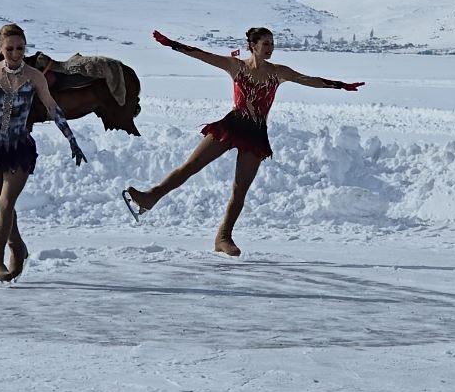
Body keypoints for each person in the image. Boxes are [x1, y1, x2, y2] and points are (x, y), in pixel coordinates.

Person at [123, 28, 364, 257]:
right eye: (266, 43)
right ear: (252, 46)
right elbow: (201, 55)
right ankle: (151, 197)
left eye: (272, 43)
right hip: (232, 125)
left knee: (240, 190)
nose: (270, 48)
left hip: (255, 133)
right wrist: (172, 44)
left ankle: (223, 237)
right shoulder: (235, 66)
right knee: (190, 167)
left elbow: (308, 80)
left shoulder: (278, 72)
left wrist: (340, 85)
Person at [0, 23, 88, 282]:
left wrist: (71, 139)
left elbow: (52, 107)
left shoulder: (34, 76)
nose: (16, 53)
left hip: (19, 148)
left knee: (6, 203)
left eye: (21, 48)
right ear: (1, 49)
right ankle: (18, 247)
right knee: (5, 207)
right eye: (10, 48)